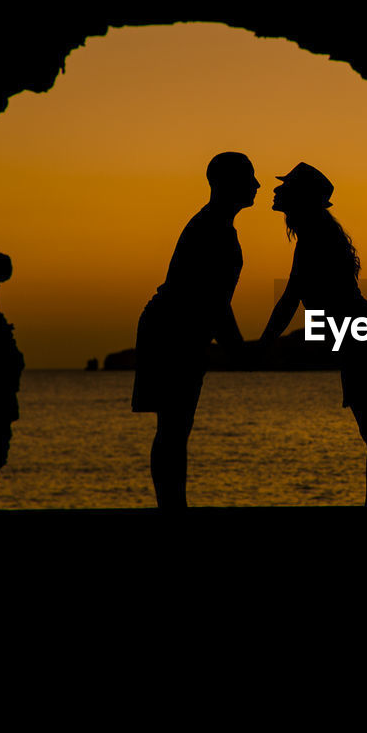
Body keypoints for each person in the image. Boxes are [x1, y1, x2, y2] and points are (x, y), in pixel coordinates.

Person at [259, 162, 367, 507]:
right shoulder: (317, 233)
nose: (277, 190)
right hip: (362, 335)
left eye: (285, 187)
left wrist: (263, 344)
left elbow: (290, 300)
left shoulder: (314, 238)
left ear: (300, 197)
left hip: (363, 338)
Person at [132, 152, 259, 509]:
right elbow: (213, 300)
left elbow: (215, 302)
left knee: (175, 427)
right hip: (171, 331)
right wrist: (238, 350)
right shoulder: (212, 228)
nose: (258, 185)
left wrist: (236, 347)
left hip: (180, 330)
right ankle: (172, 507)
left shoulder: (217, 225)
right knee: (173, 427)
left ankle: (173, 505)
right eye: (250, 176)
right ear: (227, 183)